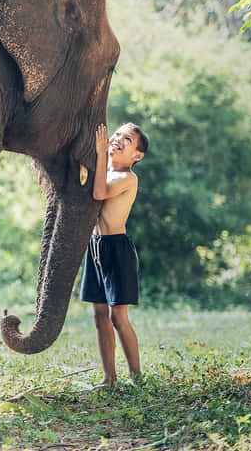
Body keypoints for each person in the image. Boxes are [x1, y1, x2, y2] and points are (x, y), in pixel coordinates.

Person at [80, 122, 149, 386]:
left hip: (117, 249)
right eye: (117, 134)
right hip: (96, 247)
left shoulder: (127, 178)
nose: (118, 138)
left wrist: (99, 153)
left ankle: (137, 376)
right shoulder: (105, 171)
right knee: (99, 315)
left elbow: (99, 192)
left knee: (118, 317)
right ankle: (109, 377)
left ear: (137, 156)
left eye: (127, 139)